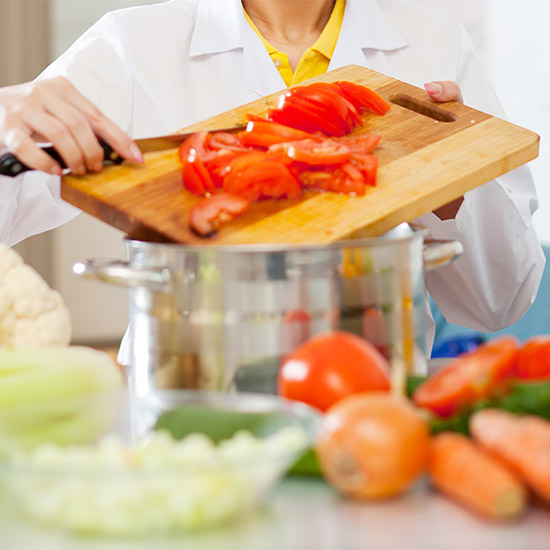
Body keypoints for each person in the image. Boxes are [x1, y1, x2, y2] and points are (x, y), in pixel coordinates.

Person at [0, 0, 544, 352]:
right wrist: (5, 121)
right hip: (186, 390)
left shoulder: (435, 41)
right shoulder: (130, 43)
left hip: (373, 403)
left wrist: (451, 187)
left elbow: (497, 302)